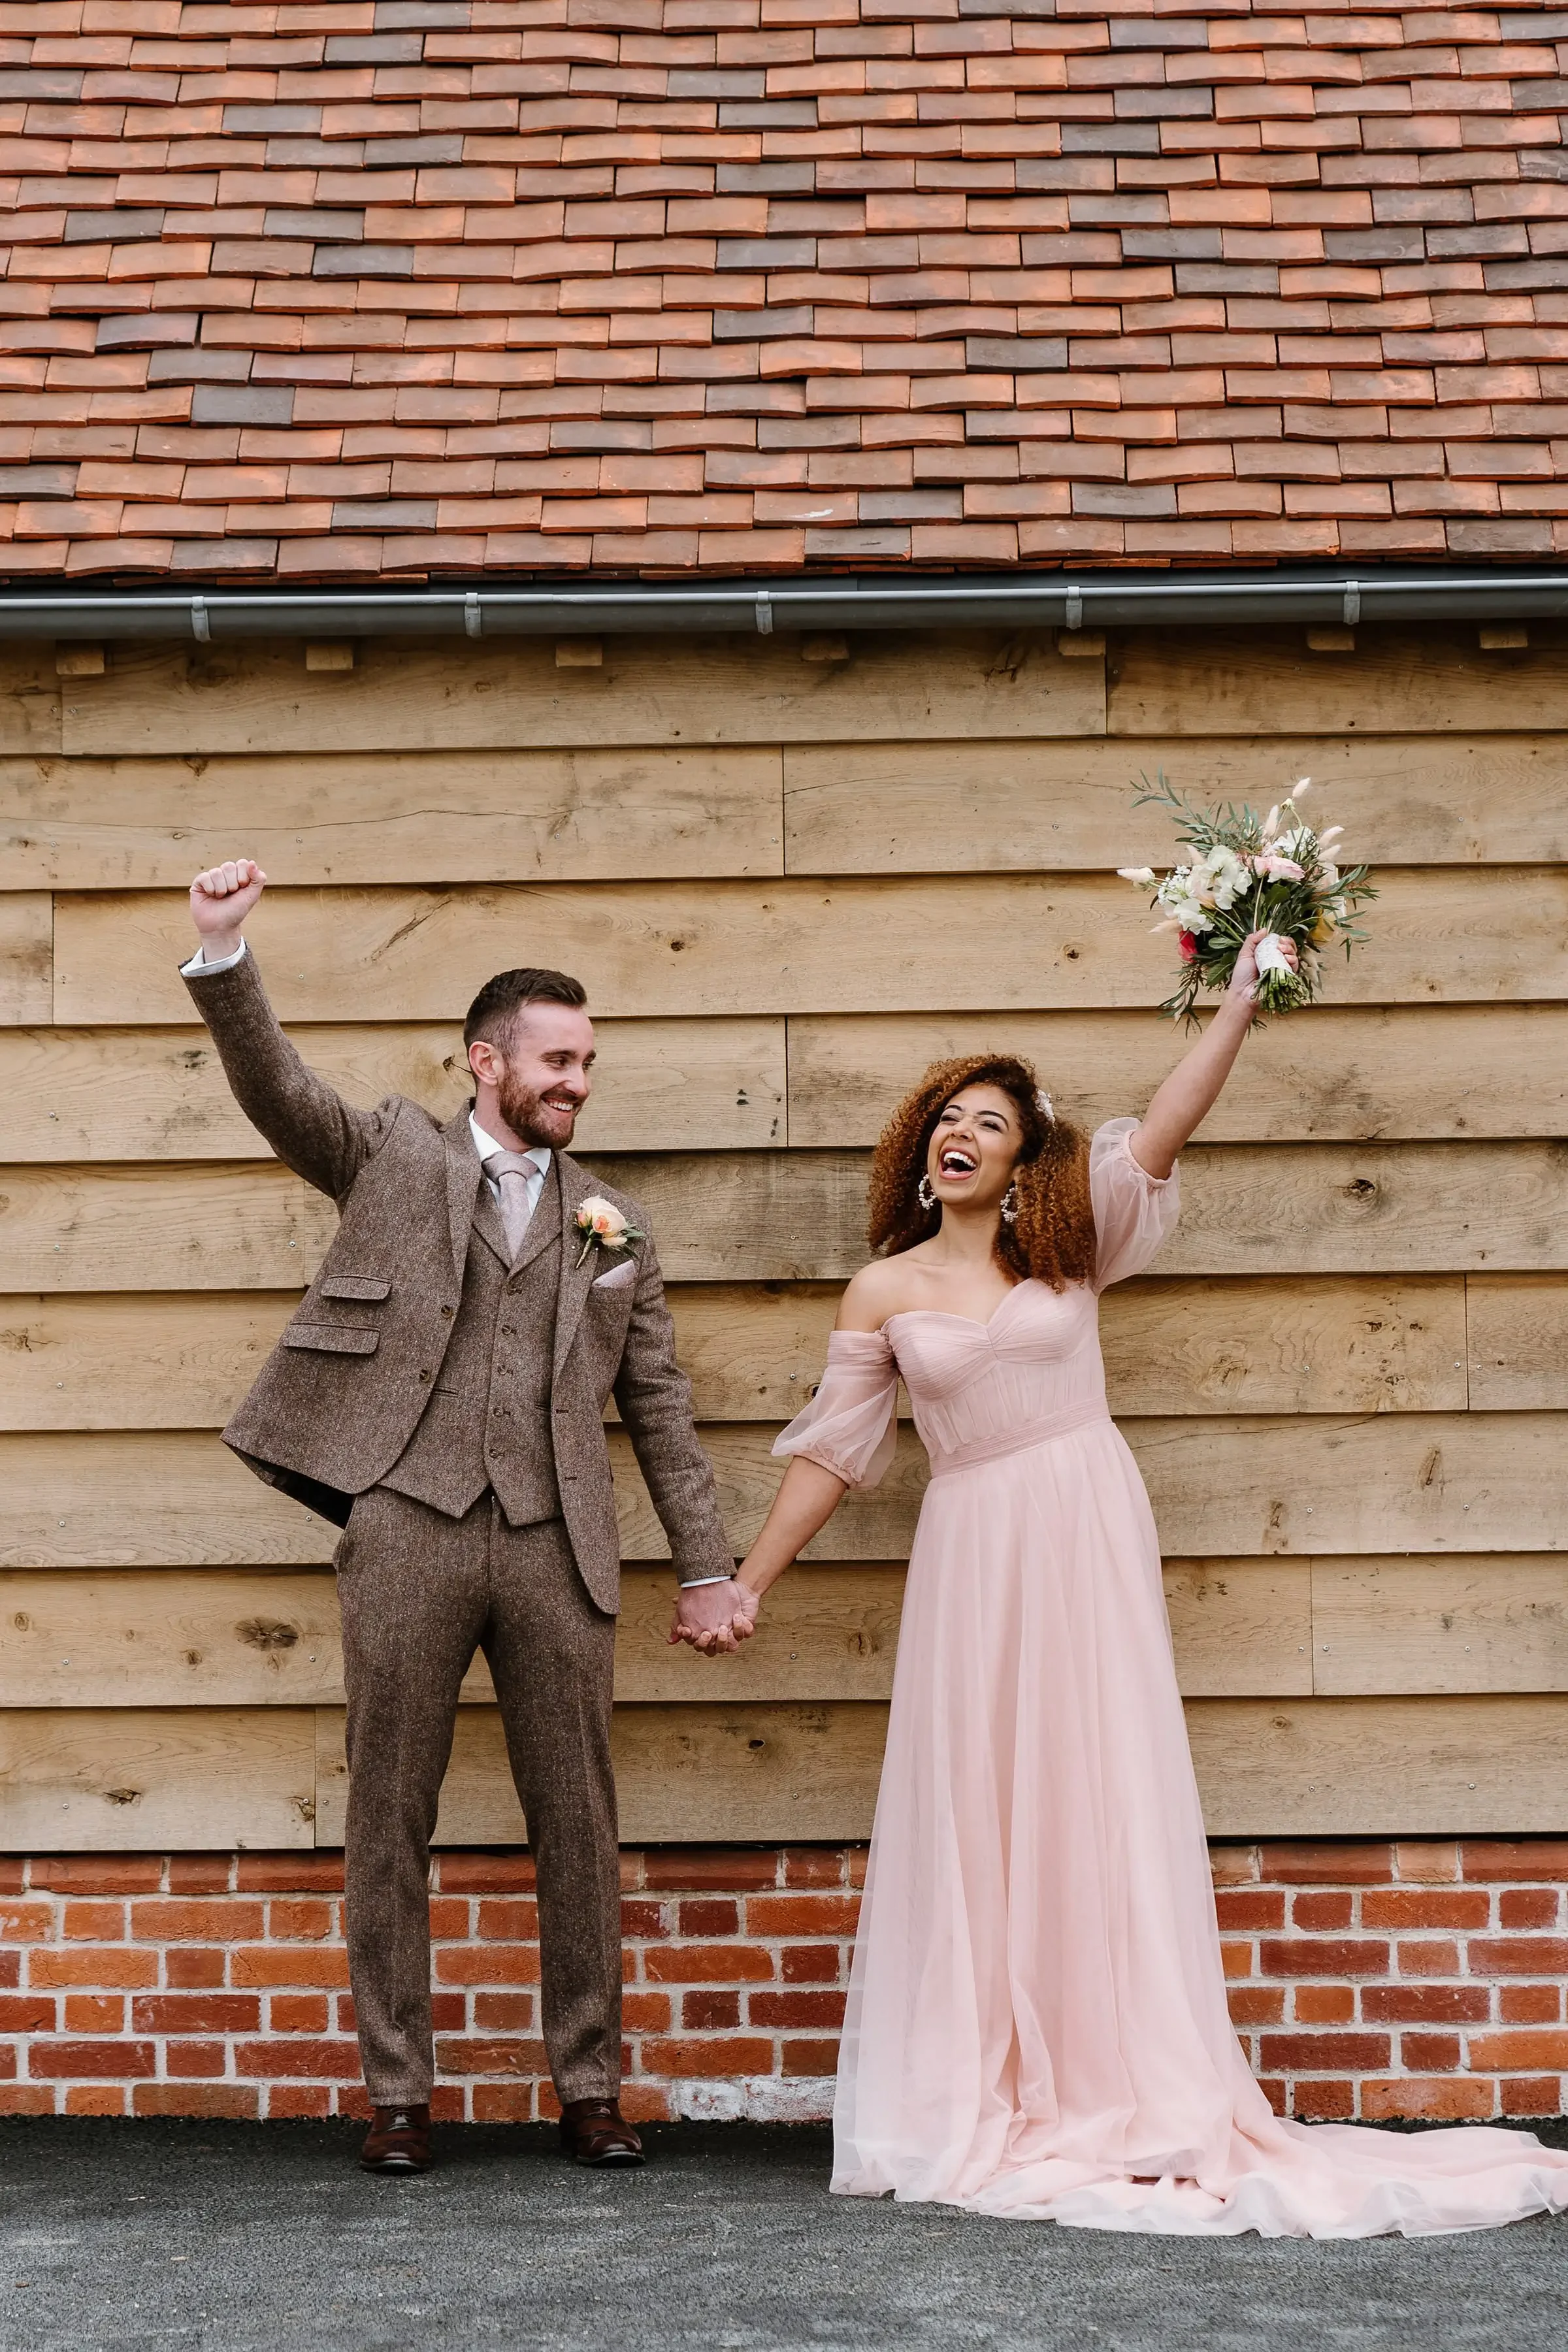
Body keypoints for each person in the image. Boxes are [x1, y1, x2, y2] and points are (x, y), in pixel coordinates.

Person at [685, 932, 1568, 2236]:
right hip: (974, 1550)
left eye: (989, 1123)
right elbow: (833, 1453)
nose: (961, 1135)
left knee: (1093, 1784)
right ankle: (990, 2077)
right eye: (947, 1119)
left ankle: (1124, 2073)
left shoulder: (1070, 1249)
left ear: (1022, 1157)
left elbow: (1166, 1121)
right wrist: (745, 1583)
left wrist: (1244, 1001)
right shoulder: (882, 1290)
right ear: (921, 1149)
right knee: (989, 1801)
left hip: (1081, 1526)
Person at [182, 860, 749, 2175]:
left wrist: (708, 1568)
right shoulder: (392, 1155)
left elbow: (659, 1408)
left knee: (581, 1820)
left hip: (560, 1541)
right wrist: (225, 954)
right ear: (486, 1063)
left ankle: (592, 2085)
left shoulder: (616, 1228)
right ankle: (397, 2096)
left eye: (589, 1062)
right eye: (557, 1059)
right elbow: (279, 1091)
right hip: (407, 1524)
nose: (578, 1082)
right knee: (389, 1810)